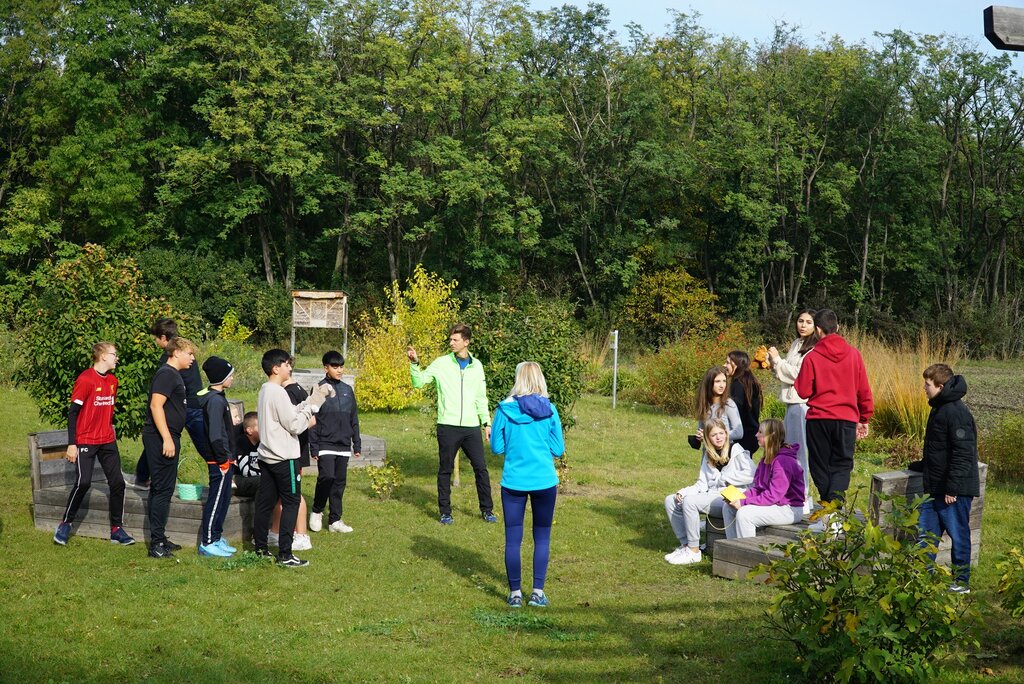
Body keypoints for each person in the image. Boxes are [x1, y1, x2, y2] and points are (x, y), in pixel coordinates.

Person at [490, 361, 565, 608]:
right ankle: (537, 592)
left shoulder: (503, 410)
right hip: (544, 481)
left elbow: (498, 448)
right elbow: (558, 449)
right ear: (540, 379)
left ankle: (514, 594)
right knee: (542, 536)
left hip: (514, 481)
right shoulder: (550, 410)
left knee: (513, 538)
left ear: (517, 379)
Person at [407, 323, 496, 525]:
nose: (451, 343)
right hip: (447, 426)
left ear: (466, 342)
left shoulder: (477, 366)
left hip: (472, 426)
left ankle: (487, 510)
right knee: (445, 469)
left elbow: (481, 397)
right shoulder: (441, 363)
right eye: (450, 339)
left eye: (455, 340)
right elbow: (419, 382)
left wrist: (486, 422)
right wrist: (414, 364)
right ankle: (445, 512)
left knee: (481, 468)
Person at [794, 309, 873, 531]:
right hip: (846, 418)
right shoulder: (854, 354)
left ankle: (831, 513)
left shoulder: (812, 357)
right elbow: (863, 389)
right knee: (841, 465)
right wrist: (864, 416)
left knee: (821, 466)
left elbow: (802, 390)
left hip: (819, 419)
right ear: (837, 327)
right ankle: (834, 514)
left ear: (818, 329)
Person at [252, 349, 333, 567]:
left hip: (267, 457)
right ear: (276, 368)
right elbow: (296, 425)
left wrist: (310, 400)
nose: (290, 368)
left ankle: (260, 548)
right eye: (287, 364)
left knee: (265, 503)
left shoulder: (265, 390)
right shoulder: (278, 392)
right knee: (291, 502)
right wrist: (313, 408)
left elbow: (289, 413)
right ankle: (285, 554)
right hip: (283, 458)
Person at [53, 342, 135, 547]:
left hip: (107, 440)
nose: (117, 358)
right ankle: (65, 524)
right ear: (103, 356)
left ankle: (117, 529)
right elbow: (73, 413)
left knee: (118, 482)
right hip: (86, 440)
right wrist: (72, 444)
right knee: (83, 483)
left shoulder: (113, 381)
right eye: (114, 354)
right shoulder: (85, 379)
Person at [909, 364, 980, 594]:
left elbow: (963, 453)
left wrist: (953, 488)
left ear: (940, 386)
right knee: (926, 533)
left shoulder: (955, 412)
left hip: (953, 491)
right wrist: (922, 466)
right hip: (936, 487)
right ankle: (921, 580)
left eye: (927, 384)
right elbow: (940, 449)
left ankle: (961, 582)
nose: (924, 388)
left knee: (958, 534)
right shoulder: (939, 408)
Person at [663, 418, 754, 565]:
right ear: (707, 438)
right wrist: (683, 492)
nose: (718, 437)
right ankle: (686, 545)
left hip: (729, 497)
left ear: (726, 433)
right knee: (671, 500)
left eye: (721, 433)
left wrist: (727, 478)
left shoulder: (736, 450)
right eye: (713, 435)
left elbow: (752, 474)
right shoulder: (708, 455)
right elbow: (701, 484)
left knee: (690, 502)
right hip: (711, 496)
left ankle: (694, 552)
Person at [133, 318, 209, 488]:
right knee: (159, 439)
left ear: (163, 337)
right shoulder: (185, 351)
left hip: (186, 405)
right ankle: (142, 474)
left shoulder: (170, 358)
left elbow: (161, 395)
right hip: (195, 401)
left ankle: (221, 472)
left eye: (156, 339)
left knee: (203, 444)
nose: (155, 342)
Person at [143, 336, 198, 559]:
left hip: (168, 435)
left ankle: (160, 536)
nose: (192, 358)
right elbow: (156, 405)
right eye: (189, 354)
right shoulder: (166, 374)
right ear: (176, 353)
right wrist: (166, 438)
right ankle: (156, 543)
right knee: (162, 489)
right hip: (160, 437)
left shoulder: (174, 375)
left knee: (163, 488)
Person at [767, 309, 818, 512]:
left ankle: (803, 497)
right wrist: (773, 363)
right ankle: (793, 492)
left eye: (808, 322)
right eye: (800, 321)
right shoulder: (797, 344)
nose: (802, 325)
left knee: (800, 452)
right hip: (790, 403)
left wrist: (778, 361)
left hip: (802, 403)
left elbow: (799, 374)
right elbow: (785, 372)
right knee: (788, 451)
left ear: (816, 326)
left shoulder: (813, 349)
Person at [722, 419, 805, 539]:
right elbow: (759, 489)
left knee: (745, 514)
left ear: (771, 436)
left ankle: (745, 554)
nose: (756, 435)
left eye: (760, 432)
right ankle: (732, 546)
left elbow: (773, 495)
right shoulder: (766, 459)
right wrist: (739, 497)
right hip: (776, 505)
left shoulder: (783, 462)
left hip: (789, 509)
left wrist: (743, 502)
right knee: (728, 507)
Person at [309, 351, 361, 534]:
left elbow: (354, 417)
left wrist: (357, 443)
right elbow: (312, 417)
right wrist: (313, 446)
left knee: (339, 482)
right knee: (327, 477)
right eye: (335, 366)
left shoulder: (348, 390)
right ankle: (317, 510)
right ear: (326, 368)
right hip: (325, 443)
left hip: (343, 444)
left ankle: (335, 521)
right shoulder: (319, 388)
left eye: (341, 366)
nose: (339, 370)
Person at [195, 356, 237, 557]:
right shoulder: (214, 401)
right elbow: (215, 435)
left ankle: (217, 537)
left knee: (224, 499)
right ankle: (207, 542)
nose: (232, 378)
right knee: (216, 499)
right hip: (218, 460)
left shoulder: (220, 398)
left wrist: (232, 456)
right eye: (230, 375)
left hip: (226, 458)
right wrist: (222, 460)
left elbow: (227, 431)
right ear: (221, 378)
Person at [280, 372, 314, 552]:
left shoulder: (290, 392)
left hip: (294, 451)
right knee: (289, 493)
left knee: (294, 495)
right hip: (295, 450)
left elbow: (311, 420)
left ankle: (301, 535)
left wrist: (291, 431)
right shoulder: (297, 388)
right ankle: (284, 531)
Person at [725, 351, 762, 454]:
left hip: (742, 438)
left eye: (727, 362)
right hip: (752, 434)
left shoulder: (738, 385)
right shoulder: (749, 382)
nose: (725, 365)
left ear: (736, 365)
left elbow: (736, 411)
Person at [694, 366, 742, 444]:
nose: (722, 385)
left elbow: (739, 433)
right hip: (708, 452)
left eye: (724, 381)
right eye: (717, 381)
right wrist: (699, 436)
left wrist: (712, 436)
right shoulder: (704, 404)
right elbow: (701, 429)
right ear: (709, 383)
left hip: (725, 452)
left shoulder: (728, 404)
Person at [233, 412, 261, 498]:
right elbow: (246, 471)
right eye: (260, 426)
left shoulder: (262, 443)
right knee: (265, 481)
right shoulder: (242, 442)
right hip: (238, 480)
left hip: (254, 478)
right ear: (249, 430)